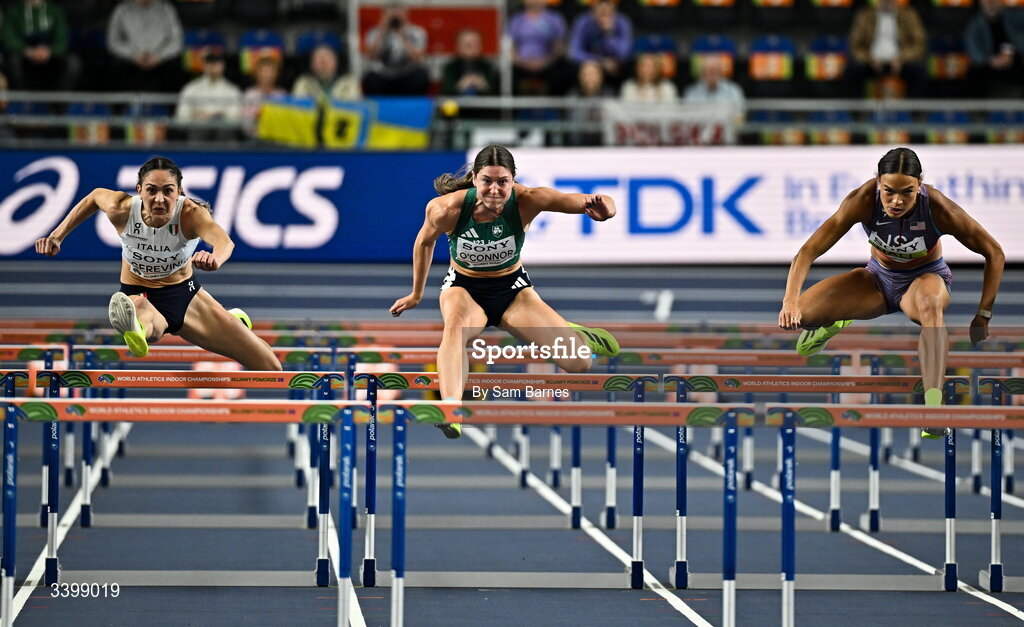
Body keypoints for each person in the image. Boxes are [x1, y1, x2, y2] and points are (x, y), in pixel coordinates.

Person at [389, 145, 621, 438]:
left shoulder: (529, 200)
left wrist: (607, 210)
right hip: (465, 289)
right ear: (475, 178)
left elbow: (592, 200)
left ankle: (573, 332)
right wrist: (416, 294)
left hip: (513, 291)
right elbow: (423, 243)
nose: (495, 190)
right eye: (487, 181)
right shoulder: (446, 208)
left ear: (513, 181)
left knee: (579, 363)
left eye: (503, 182)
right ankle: (451, 408)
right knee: (455, 328)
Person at [778, 147, 1004, 438]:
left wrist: (983, 315)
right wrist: (790, 301)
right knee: (804, 315)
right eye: (888, 191)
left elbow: (994, 252)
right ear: (877, 183)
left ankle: (934, 407)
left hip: (924, 281)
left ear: (920, 185)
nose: (897, 201)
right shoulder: (862, 200)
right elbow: (808, 251)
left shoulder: (939, 208)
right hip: (877, 280)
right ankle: (837, 320)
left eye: (907, 192)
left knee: (930, 306)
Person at [34, 156, 282, 371]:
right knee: (143, 320)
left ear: (180, 192)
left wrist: (215, 259)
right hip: (137, 293)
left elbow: (225, 243)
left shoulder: (191, 215)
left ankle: (232, 321)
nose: (160, 199)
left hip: (185, 298)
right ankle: (136, 326)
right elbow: (94, 197)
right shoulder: (121, 208)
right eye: (152, 190)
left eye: (168, 191)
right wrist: (57, 236)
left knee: (270, 366)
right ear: (139, 190)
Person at [845, 0, 927, 98]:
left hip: (900, 61)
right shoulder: (865, 15)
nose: (887, 2)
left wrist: (902, 58)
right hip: (872, 61)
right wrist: (869, 59)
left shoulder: (909, 15)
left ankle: (915, 111)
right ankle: (857, 111)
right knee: (852, 71)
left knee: (919, 71)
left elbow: (919, 43)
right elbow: (855, 45)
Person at [106, 0, 184, 93]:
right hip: (130, 60)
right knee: (114, 66)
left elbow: (177, 41)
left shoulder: (166, 9)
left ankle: (171, 107)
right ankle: (119, 107)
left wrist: (160, 56)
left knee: (176, 66)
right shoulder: (122, 10)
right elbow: (113, 41)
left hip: (160, 60)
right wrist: (133, 55)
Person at [2, 0, 80, 92]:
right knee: (12, 61)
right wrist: (28, 51)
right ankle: (22, 101)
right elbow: (8, 38)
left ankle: (59, 102)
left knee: (73, 62)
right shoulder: (13, 11)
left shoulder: (54, 10)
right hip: (24, 56)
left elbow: (62, 40)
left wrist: (49, 51)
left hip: (50, 57)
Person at [362, 5, 429, 95]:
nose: (395, 19)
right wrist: (382, 31)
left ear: (406, 15)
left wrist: (402, 35)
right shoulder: (374, 32)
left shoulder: (417, 32)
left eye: (398, 15)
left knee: (421, 76)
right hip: (383, 74)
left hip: (407, 74)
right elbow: (371, 56)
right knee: (371, 78)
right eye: (392, 16)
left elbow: (418, 58)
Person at [176, 50, 243, 141]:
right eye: (209, 62)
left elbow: (235, 120)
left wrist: (211, 116)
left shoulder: (232, 90)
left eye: (216, 63)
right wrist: (198, 119)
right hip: (197, 133)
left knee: (220, 121)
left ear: (223, 66)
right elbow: (181, 119)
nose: (213, 66)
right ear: (203, 65)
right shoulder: (190, 89)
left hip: (223, 136)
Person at [507, 0, 570, 95]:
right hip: (522, 65)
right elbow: (511, 48)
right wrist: (521, 62)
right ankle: (515, 108)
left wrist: (545, 62)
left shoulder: (555, 19)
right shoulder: (517, 21)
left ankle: (557, 108)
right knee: (506, 76)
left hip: (548, 64)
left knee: (562, 73)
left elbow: (559, 47)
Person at [964, 0, 1024, 97]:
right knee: (975, 71)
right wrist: (991, 61)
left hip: (1014, 64)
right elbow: (973, 51)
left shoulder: (1014, 17)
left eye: (994, 1)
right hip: (987, 68)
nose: (991, 3)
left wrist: (1011, 55)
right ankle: (977, 109)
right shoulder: (975, 24)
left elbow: (1018, 41)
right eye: (987, 1)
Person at [568, 0, 633, 88]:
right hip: (590, 63)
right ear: (593, 9)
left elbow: (624, 53)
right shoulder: (583, 21)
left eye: (607, 11)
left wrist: (608, 34)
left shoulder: (622, 22)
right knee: (580, 69)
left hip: (614, 66)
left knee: (626, 66)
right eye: (600, 10)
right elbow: (574, 53)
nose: (603, 14)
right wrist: (600, 62)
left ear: (614, 9)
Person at [292, 44, 361, 102]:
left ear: (336, 63)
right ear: (311, 64)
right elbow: (299, 108)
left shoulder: (349, 82)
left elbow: (354, 107)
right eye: (319, 60)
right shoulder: (303, 83)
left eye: (328, 60)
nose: (324, 64)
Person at [440, 29, 499, 97]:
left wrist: (483, 86)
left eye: (474, 43)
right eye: (466, 43)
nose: (470, 46)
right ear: (457, 46)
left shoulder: (489, 68)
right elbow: (445, 95)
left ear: (481, 45)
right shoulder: (449, 68)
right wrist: (460, 86)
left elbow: (497, 96)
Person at [242, 54, 287, 137]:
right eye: (264, 71)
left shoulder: (282, 95)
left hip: (277, 139)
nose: (267, 75)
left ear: (276, 74)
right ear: (257, 73)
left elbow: (285, 123)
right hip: (254, 139)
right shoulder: (249, 95)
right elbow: (245, 125)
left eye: (271, 71)